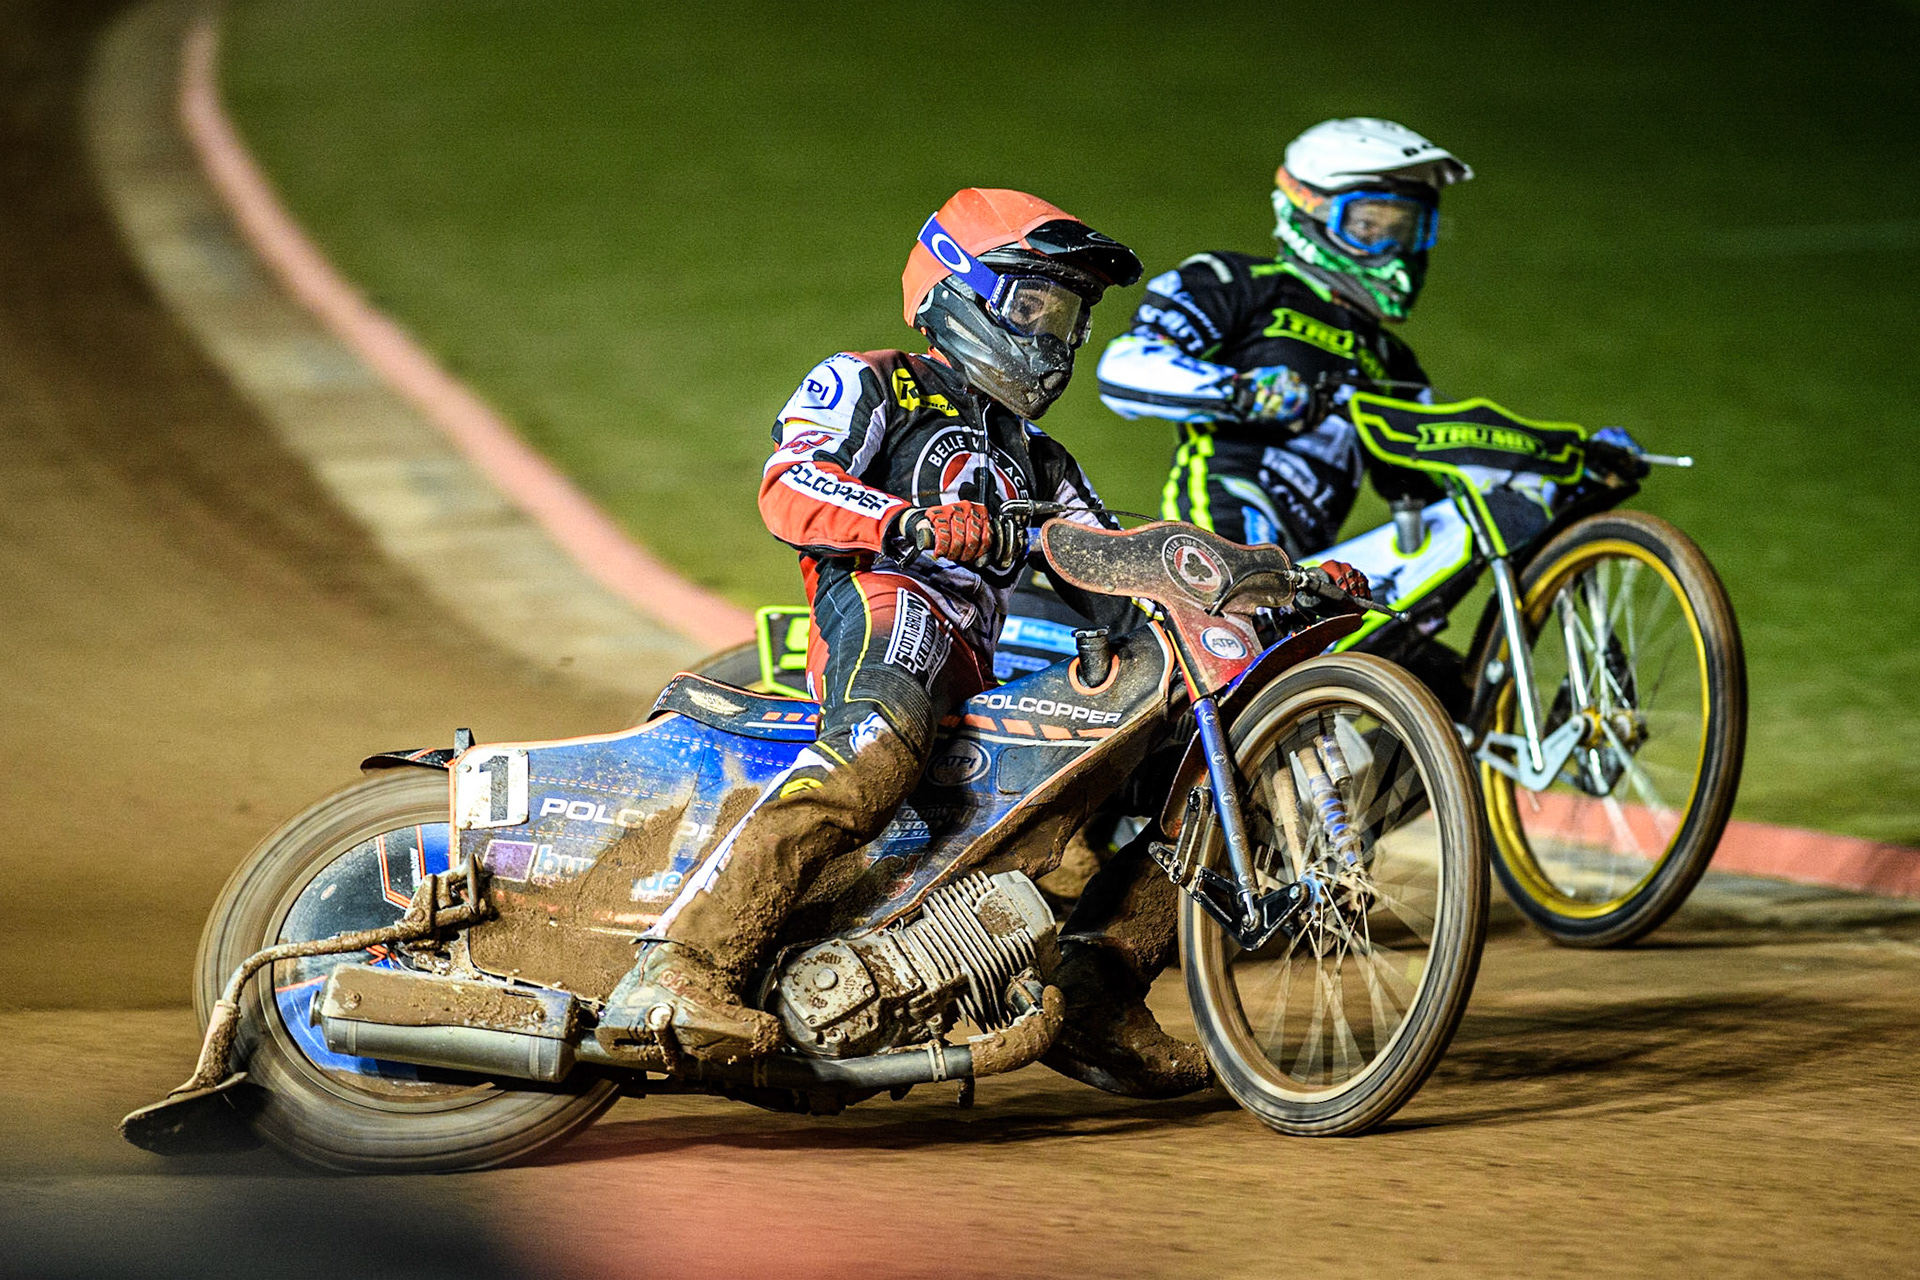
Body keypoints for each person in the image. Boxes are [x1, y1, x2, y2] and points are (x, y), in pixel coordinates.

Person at [601, 188, 1212, 1098]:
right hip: (886, 599)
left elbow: (1110, 566)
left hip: (980, 663)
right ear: (959, 290)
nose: (1054, 335)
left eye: (1069, 315)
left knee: (1179, 748)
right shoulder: (873, 379)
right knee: (883, 733)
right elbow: (789, 483)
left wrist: (1250, 583)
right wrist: (914, 526)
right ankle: (682, 963)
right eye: (1034, 305)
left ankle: (1099, 987)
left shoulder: (1044, 462)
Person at [1095, 118, 1472, 562]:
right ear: (1309, 211)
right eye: (1369, 226)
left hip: (1312, 571)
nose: (1392, 249)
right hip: (1231, 518)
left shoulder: (1393, 362)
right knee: (1245, 606)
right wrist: (1252, 393)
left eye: (1404, 230)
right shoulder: (1240, 283)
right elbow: (1124, 366)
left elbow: (1436, 499)